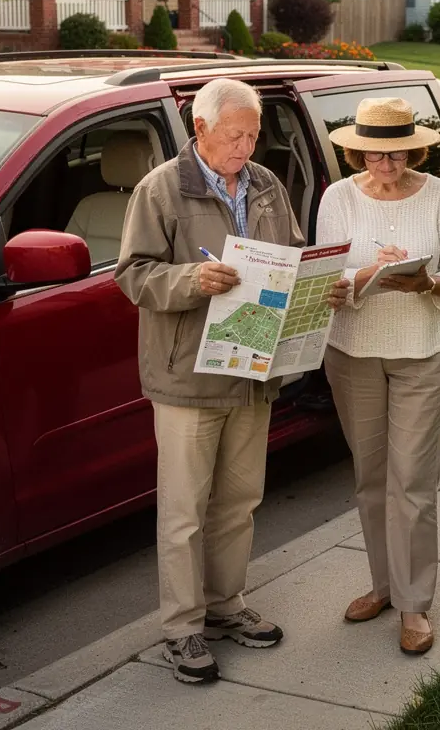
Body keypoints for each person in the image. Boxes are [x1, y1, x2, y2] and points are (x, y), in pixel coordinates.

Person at [115, 78, 348, 685]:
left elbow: (293, 255)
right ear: (200, 130)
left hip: (252, 370)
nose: (247, 146)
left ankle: (226, 607)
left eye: (253, 134)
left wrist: (315, 283)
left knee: (240, 502)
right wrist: (193, 279)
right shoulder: (161, 189)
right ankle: (183, 630)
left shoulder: (267, 185)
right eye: (235, 134)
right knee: (185, 510)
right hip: (188, 376)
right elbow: (133, 276)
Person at [315, 97, 440, 657]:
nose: (387, 163)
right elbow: (327, 273)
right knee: (371, 476)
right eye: (376, 153)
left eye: (397, 151)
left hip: (423, 349)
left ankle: (413, 604)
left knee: (412, 481)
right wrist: (363, 275)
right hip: (353, 350)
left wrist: (426, 284)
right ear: (358, 150)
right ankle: (383, 586)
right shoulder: (337, 198)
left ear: (413, 147)